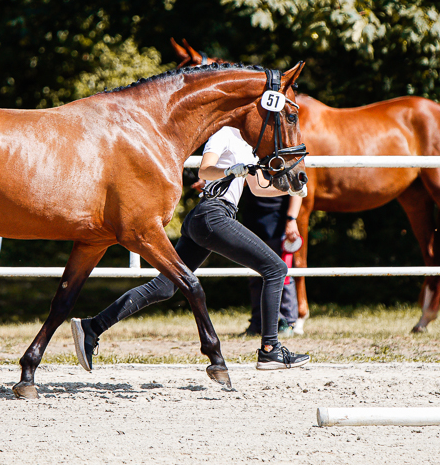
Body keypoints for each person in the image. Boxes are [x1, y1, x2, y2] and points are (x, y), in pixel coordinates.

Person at [71, 126, 310, 371]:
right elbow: (204, 169)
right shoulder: (224, 134)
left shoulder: (248, 144)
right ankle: (270, 349)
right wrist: (229, 171)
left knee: (164, 287)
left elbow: (258, 188)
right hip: (213, 214)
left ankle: (92, 327)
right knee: (276, 269)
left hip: (211, 218)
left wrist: (289, 188)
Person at [239, 190, 302, 337]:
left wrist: (292, 219)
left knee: (283, 275)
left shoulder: (287, 172)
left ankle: (287, 321)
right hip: (252, 219)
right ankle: (257, 322)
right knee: (254, 276)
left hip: (278, 222)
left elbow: (297, 190)